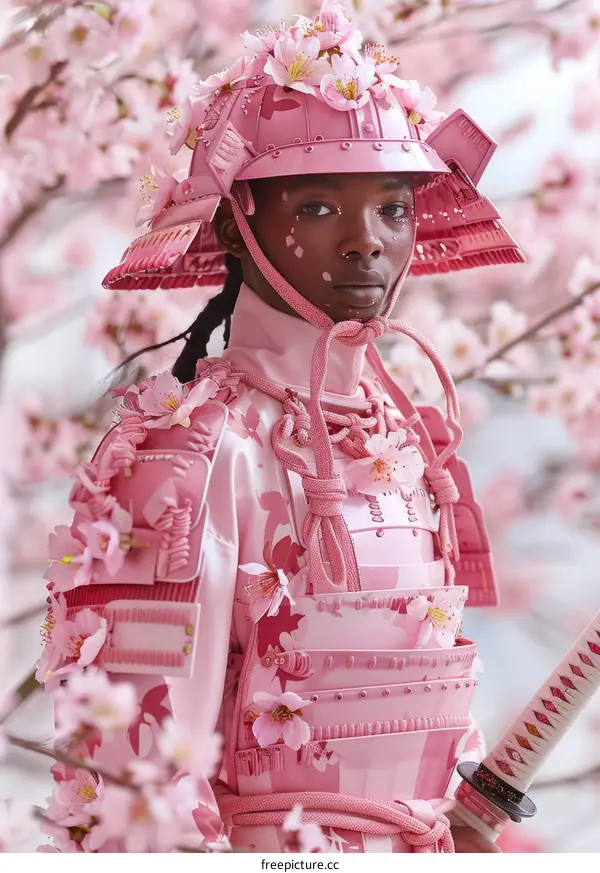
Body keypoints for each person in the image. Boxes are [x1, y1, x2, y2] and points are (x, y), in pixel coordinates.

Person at [38, 1, 523, 853]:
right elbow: (137, 791)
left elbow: (426, 713)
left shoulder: (408, 440)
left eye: (392, 208)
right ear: (236, 223)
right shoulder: (187, 454)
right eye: (316, 208)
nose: (365, 243)